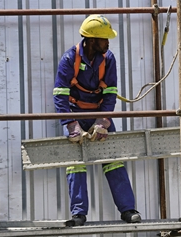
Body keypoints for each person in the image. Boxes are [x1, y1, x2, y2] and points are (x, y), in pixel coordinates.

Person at [53, 14, 141, 226]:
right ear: (91, 40)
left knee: (113, 161)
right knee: (76, 164)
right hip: (75, 114)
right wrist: (70, 124)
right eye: (104, 38)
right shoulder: (69, 59)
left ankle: (128, 210)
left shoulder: (108, 58)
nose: (108, 42)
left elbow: (110, 93)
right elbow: (60, 94)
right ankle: (79, 214)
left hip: (99, 113)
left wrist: (102, 121)